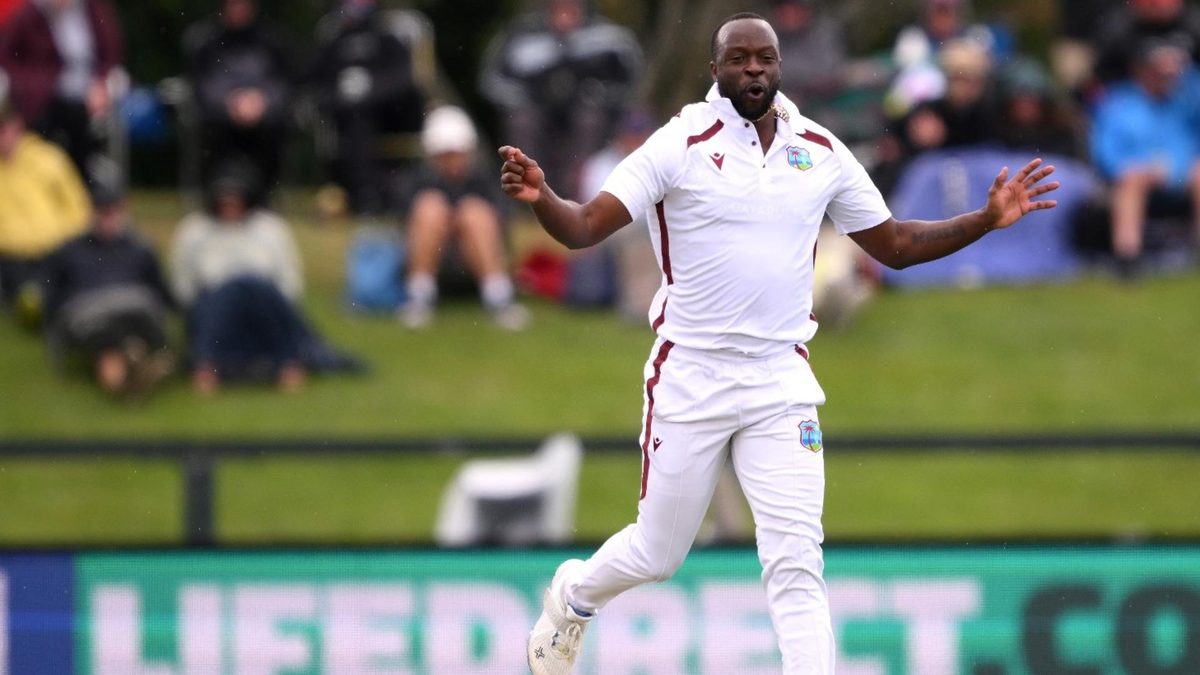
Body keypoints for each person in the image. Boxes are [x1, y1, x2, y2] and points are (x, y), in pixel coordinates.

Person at [500, 12, 1058, 674]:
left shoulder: (818, 149)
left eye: (764, 58)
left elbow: (896, 245)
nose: (753, 70)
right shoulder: (679, 143)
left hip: (780, 381)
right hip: (691, 374)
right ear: (715, 70)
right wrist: (542, 196)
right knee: (658, 552)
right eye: (738, 59)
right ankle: (574, 594)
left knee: (796, 560)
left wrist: (985, 220)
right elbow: (585, 225)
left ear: (779, 67)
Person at [171, 162, 361, 394]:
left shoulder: (270, 228)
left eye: (236, 200)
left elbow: (289, 282)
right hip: (215, 310)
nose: (230, 207)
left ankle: (287, 365)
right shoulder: (194, 230)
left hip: (263, 307)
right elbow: (183, 285)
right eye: (224, 201)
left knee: (254, 288)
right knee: (233, 290)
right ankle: (206, 366)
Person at [479, 0, 642, 200]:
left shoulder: (609, 37)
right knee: (522, 122)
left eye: (570, 9)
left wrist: (604, 95)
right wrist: (520, 97)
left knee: (590, 121)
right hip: (537, 107)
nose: (564, 17)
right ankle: (530, 185)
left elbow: (631, 80)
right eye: (559, 10)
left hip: (587, 108)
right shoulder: (520, 35)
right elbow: (492, 80)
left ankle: (577, 190)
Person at [41, 170, 175, 399]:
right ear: (91, 212)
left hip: (136, 312)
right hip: (91, 316)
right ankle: (132, 374)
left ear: (124, 210)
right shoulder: (69, 251)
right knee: (108, 339)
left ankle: (134, 370)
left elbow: (162, 293)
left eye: (114, 210)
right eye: (102, 211)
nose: (108, 217)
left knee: (135, 328)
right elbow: (53, 299)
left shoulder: (143, 249)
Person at [398, 105, 528, 331]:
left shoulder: (487, 179)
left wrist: (464, 220)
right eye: (445, 154)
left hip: (474, 254)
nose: (451, 160)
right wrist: (444, 221)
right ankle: (419, 296)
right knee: (430, 207)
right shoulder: (415, 180)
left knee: (474, 212)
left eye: (455, 153)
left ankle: (498, 297)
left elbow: (501, 222)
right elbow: (407, 224)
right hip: (435, 255)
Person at [1090, 40, 1200, 275]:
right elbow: (1104, 153)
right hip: (1132, 178)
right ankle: (1128, 258)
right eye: (1160, 72)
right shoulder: (1117, 103)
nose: (1167, 78)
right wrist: (1140, 169)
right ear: (1141, 70)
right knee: (1132, 180)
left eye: (1172, 74)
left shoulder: (1183, 104)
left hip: (1177, 178)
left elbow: (1190, 146)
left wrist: (1172, 170)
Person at [306, 0, 426, 216]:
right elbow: (316, 86)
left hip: (393, 116)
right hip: (352, 120)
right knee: (357, 118)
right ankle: (367, 196)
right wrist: (342, 95)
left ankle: (388, 193)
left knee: (363, 114)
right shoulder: (334, 43)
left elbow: (406, 81)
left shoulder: (387, 37)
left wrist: (371, 90)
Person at [0, 0, 123, 180]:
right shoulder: (30, 15)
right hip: (43, 96)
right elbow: (8, 57)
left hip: (87, 91)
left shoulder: (93, 10)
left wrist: (101, 84)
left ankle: (84, 180)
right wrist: (29, 86)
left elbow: (110, 54)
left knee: (81, 125)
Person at [183, 0, 293, 195]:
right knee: (212, 129)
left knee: (275, 127)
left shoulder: (272, 39)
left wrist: (262, 101)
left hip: (263, 112)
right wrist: (229, 101)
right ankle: (218, 193)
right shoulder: (205, 40)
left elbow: (283, 82)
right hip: (220, 112)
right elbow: (201, 82)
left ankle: (264, 194)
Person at [0, 87, 90, 325]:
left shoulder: (48, 158)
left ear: (17, 125)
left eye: (3, 128)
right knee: (29, 300)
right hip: (9, 259)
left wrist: (72, 245)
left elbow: (78, 206)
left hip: (52, 254)